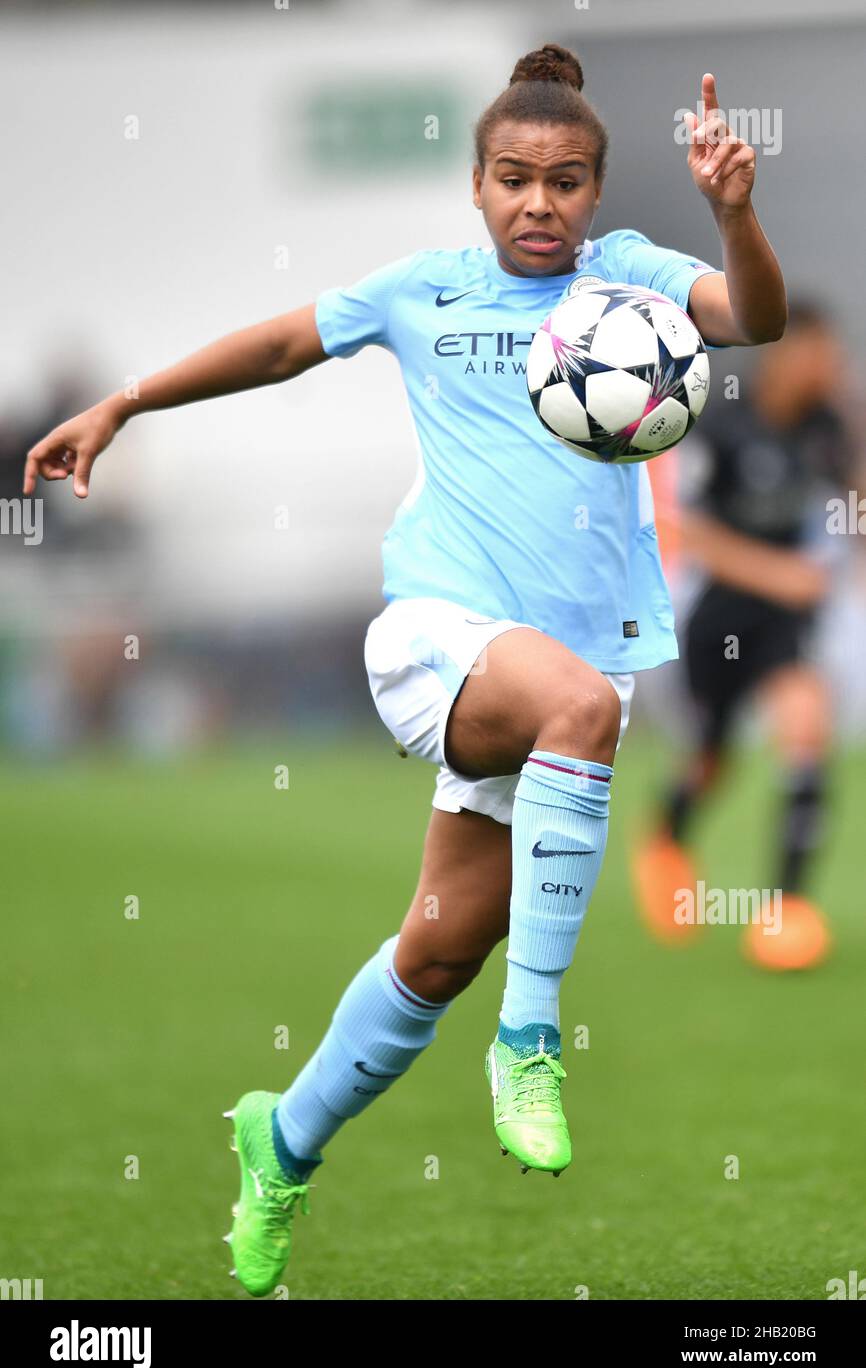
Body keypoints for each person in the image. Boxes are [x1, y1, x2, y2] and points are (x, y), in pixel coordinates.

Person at [23, 43, 786, 1296]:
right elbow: (279, 345)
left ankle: (282, 1139)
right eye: (512, 178)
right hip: (435, 632)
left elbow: (750, 318)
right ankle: (532, 1043)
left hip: (557, 677)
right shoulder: (420, 291)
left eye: (566, 180)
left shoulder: (632, 282)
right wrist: (124, 403)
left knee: (435, 951)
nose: (539, 202)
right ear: (475, 185)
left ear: (596, 190)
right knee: (580, 709)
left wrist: (733, 213)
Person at [633, 303, 851, 966]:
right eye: (821, 353)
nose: (832, 367)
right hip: (717, 617)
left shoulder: (828, 427)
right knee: (711, 757)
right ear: (785, 355)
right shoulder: (722, 425)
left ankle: (787, 908)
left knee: (807, 728)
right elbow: (682, 528)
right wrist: (778, 573)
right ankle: (666, 837)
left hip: (784, 625)